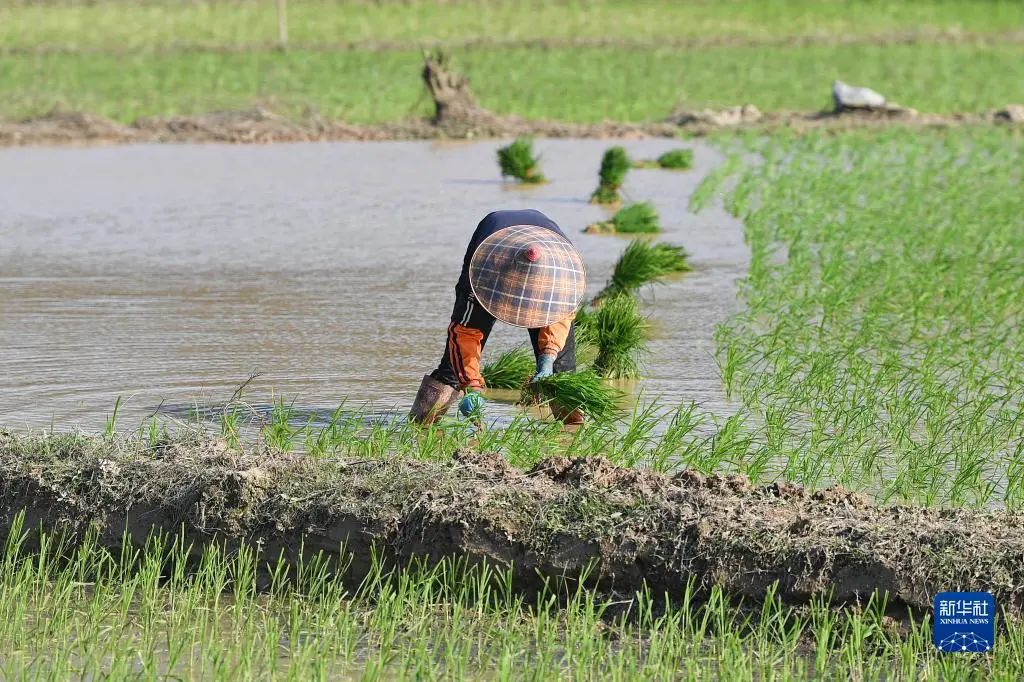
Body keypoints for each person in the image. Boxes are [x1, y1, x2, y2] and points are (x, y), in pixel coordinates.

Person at [409, 209, 587, 425]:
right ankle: (419, 426)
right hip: (494, 256)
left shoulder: (563, 276)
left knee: (563, 373)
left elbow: (560, 319)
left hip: (549, 257)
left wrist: (548, 358)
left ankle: (573, 437)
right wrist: (472, 387)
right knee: (453, 369)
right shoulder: (483, 274)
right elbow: (465, 334)